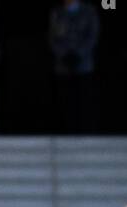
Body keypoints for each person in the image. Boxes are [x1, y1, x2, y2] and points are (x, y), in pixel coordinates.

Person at [48, 0, 100, 134]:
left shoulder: (89, 11)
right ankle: (66, 130)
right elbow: (53, 38)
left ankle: (85, 131)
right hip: (63, 66)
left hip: (84, 66)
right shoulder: (57, 13)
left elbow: (92, 36)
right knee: (65, 101)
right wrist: (64, 55)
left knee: (84, 101)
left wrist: (79, 55)